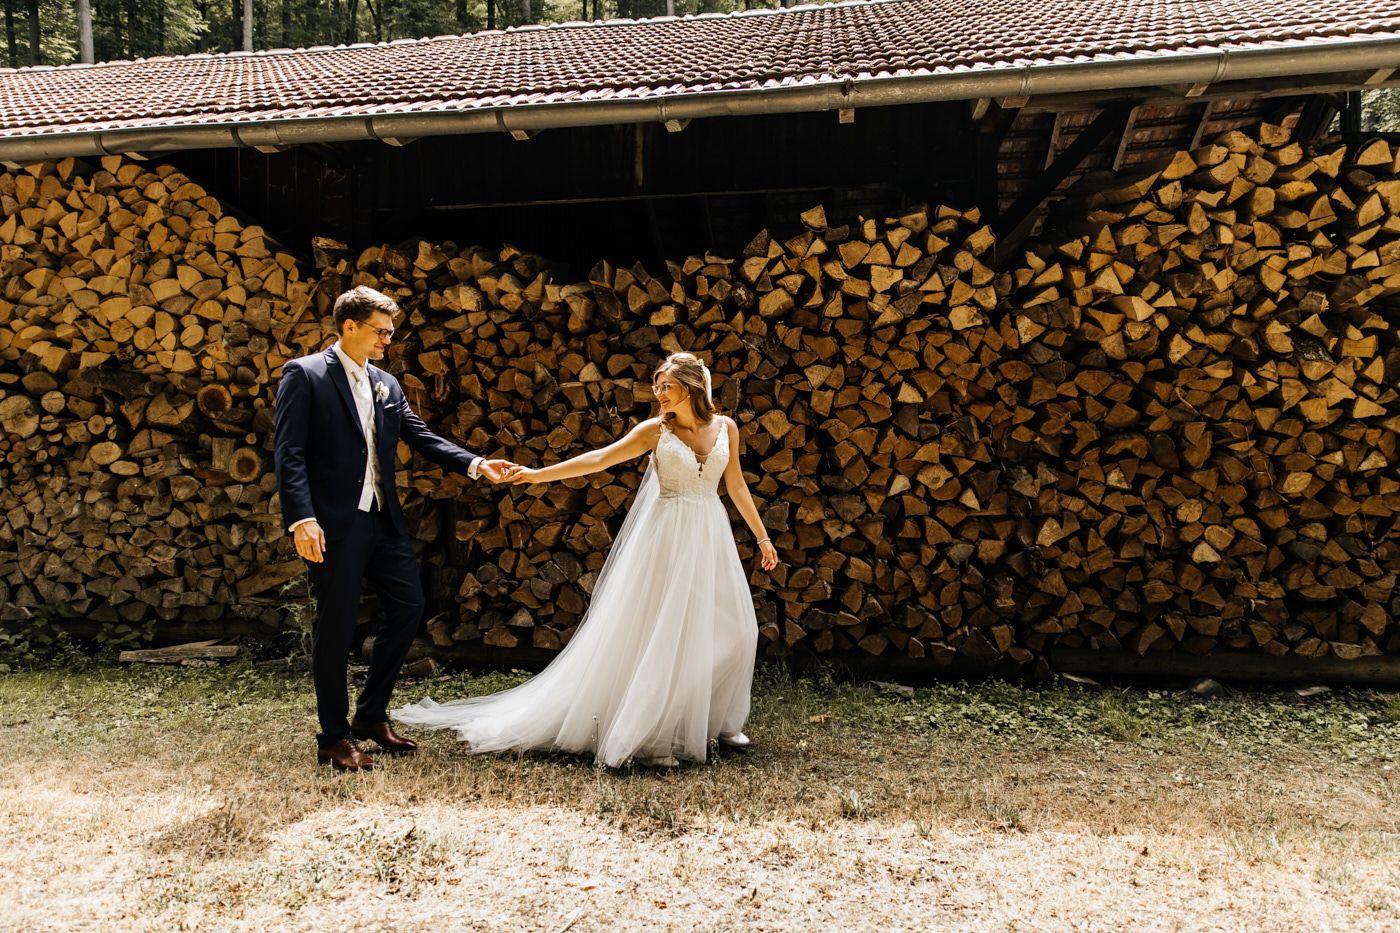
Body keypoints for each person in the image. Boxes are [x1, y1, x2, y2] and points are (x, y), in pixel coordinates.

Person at [394, 352, 778, 767]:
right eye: (657, 386)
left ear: (690, 386)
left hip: (709, 532)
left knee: (736, 630)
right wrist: (536, 474)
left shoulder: (726, 428)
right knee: (663, 631)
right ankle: (654, 733)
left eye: (666, 385)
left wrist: (762, 537)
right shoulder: (653, 431)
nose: (659, 393)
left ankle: (716, 718)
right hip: (666, 536)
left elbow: (736, 484)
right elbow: (598, 459)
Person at [273, 285, 516, 772]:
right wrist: (303, 518)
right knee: (336, 626)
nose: (388, 340)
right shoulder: (306, 374)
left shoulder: (388, 383)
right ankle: (334, 737)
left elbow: (420, 435)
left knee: (409, 606)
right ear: (349, 327)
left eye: (389, 332)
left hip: (383, 520)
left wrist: (475, 464)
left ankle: (369, 715)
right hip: (333, 524)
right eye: (380, 331)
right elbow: (290, 452)